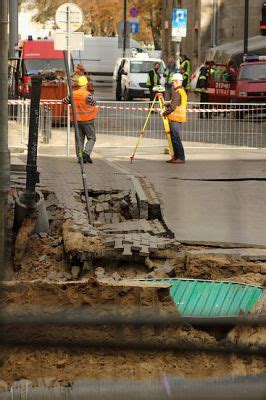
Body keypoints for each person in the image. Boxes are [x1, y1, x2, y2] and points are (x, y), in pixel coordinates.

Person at [62, 76, 98, 164]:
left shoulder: (73, 94)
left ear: (78, 85)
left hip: (76, 120)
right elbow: (94, 103)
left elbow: (64, 101)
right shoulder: (87, 94)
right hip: (88, 120)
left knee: (79, 139)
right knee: (92, 138)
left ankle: (80, 157)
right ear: (85, 85)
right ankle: (86, 153)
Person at [163, 73, 187, 164]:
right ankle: (176, 157)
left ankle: (180, 157)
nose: (173, 83)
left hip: (176, 119)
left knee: (176, 138)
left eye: (173, 82)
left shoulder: (178, 92)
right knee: (174, 138)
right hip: (176, 119)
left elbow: (173, 106)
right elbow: (175, 103)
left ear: (177, 81)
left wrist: (165, 113)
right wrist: (168, 104)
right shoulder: (180, 92)